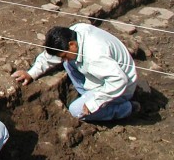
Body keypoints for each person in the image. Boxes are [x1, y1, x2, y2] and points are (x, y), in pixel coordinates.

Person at [12, 24, 140, 122]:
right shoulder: (74, 32)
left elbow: (119, 80)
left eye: (64, 55)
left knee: (76, 110)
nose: (63, 59)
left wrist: (94, 103)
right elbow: (52, 54)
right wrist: (31, 73)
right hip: (105, 76)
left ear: (72, 44)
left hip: (121, 88)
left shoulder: (95, 55)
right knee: (68, 63)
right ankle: (86, 94)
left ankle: (126, 109)